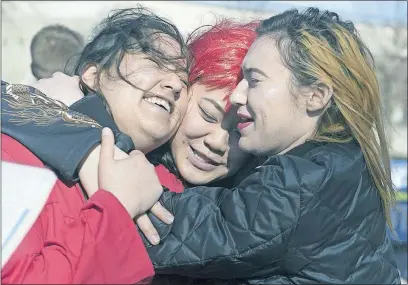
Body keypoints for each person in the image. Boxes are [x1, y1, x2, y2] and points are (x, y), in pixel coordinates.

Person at [3, 7, 400, 284]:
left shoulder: (287, 185)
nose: (216, 141)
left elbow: (174, 228)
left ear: (315, 96)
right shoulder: (34, 161)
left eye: (238, 130)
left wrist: (82, 131)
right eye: (209, 114)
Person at [1, 6, 190, 284]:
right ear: (92, 75)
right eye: (154, 61)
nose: (174, 84)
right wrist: (115, 212)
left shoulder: (180, 194)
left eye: (184, 82)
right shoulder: (15, 155)